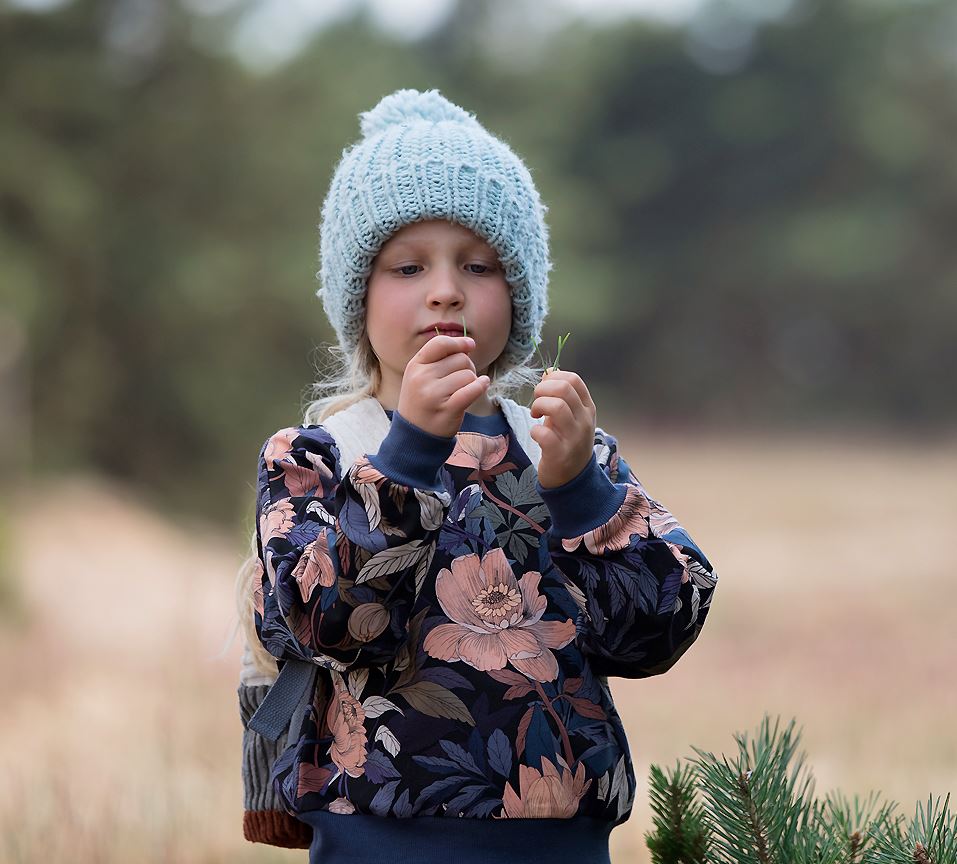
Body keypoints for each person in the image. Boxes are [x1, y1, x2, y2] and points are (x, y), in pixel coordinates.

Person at [236, 87, 719, 864]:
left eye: (479, 264)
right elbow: (329, 621)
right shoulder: (317, 458)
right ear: (355, 299)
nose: (445, 289)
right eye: (406, 265)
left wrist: (579, 492)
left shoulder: (556, 448)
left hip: (558, 839)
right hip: (376, 837)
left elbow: (657, 629)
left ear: (518, 295)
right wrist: (408, 457)